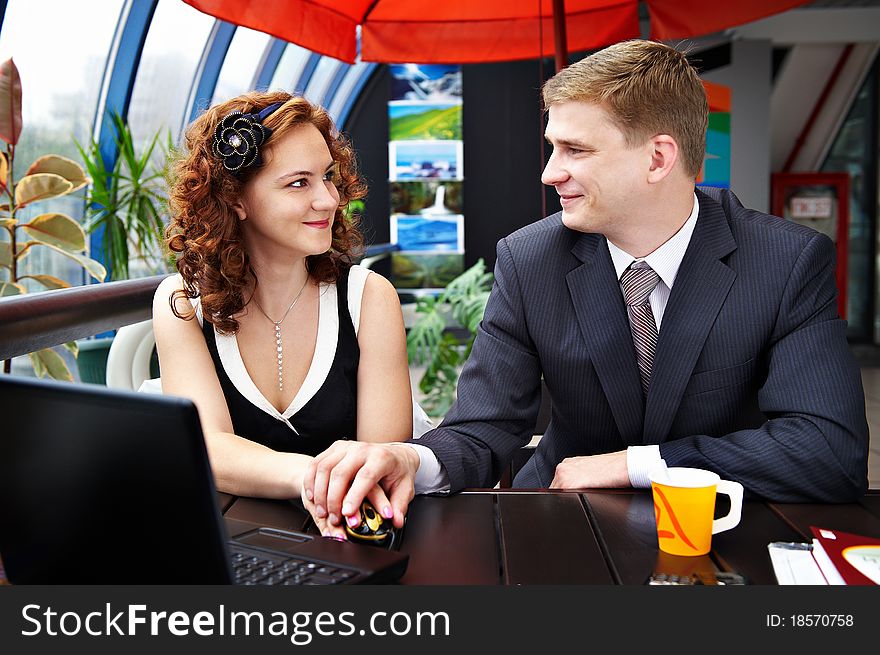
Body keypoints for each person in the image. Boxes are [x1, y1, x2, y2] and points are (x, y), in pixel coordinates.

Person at [302, 39, 870, 536]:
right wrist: (409, 461)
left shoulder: (785, 262)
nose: (550, 172)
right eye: (554, 147)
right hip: (560, 523)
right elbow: (485, 427)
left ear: (657, 158)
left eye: (575, 150)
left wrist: (637, 464)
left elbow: (829, 452)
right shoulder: (529, 259)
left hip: (720, 537)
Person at [153, 91, 413, 521]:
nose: (329, 200)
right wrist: (315, 478)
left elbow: (376, 460)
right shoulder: (183, 304)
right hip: (234, 548)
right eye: (299, 183)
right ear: (235, 200)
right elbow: (208, 448)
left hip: (349, 536)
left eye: (328, 177)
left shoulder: (369, 298)